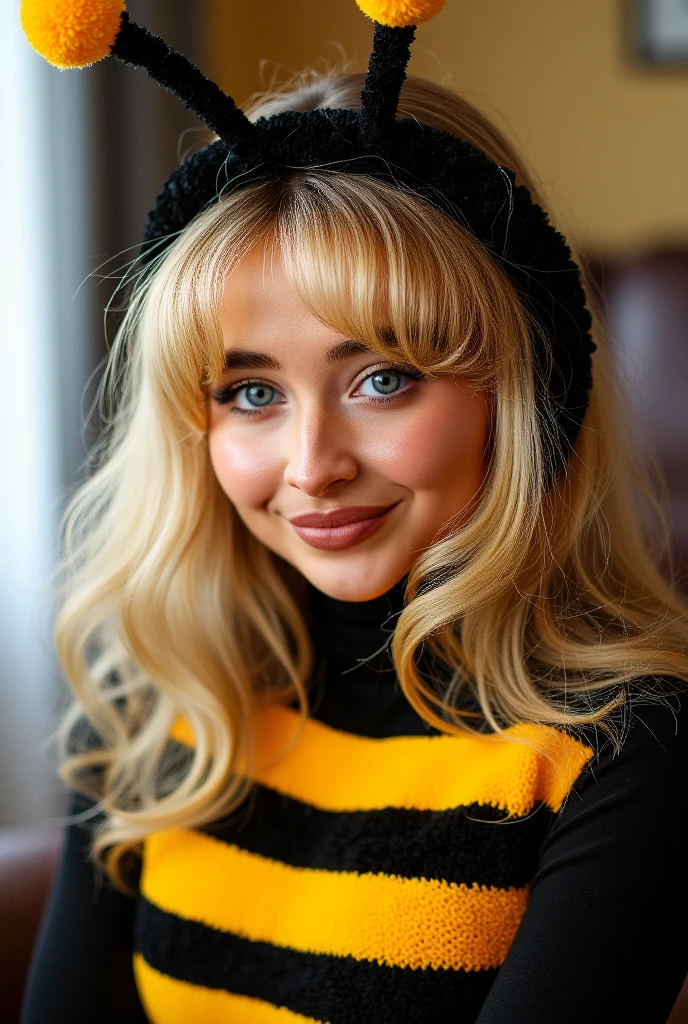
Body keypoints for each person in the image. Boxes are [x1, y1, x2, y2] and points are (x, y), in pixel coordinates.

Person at [19, 2, 688, 1022]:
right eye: (250, 391)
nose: (311, 465)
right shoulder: (149, 686)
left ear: (523, 391)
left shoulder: (627, 746)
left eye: (382, 378)